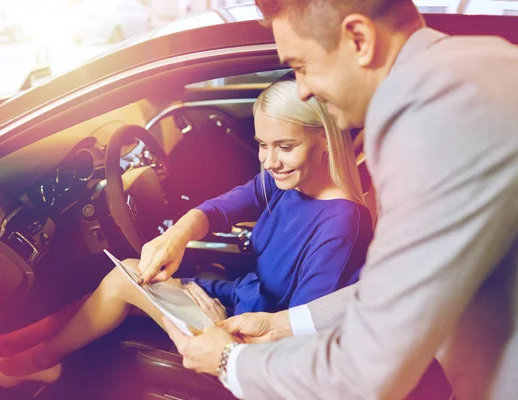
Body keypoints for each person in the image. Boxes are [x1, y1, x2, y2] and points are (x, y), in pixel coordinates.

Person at [159, 1, 518, 399]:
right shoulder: (485, 63)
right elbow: (396, 289)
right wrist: (282, 325)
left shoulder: (430, 120)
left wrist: (229, 361)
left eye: (301, 66)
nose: (304, 89)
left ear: (359, 39)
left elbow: (367, 373)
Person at [0, 76, 373, 388]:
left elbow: (298, 333)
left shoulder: (341, 222)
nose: (269, 160)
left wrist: (216, 319)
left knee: (124, 281)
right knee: (119, 286)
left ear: (324, 141)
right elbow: (225, 206)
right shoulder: (289, 180)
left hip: (247, 328)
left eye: (285, 146)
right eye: (262, 144)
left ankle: (20, 365)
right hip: (239, 295)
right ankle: (12, 347)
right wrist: (178, 234)